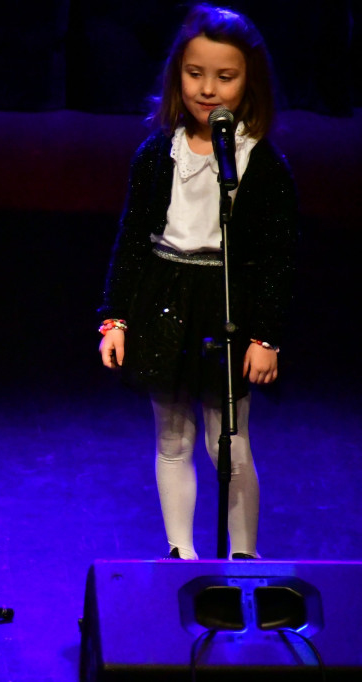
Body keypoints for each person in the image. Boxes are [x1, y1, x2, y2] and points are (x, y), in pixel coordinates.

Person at [98, 5, 297, 560]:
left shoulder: (264, 163)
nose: (207, 89)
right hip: (164, 297)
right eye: (195, 74)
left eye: (225, 77)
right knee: (171, 437)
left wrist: (266, 335)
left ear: (248, 80)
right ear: (177, 74)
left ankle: (243, 559)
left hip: (226, 300)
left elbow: (280, 257)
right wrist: (114, 318)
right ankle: (180, 555)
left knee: (226, 442)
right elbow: (133, 239)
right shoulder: (157, 154)